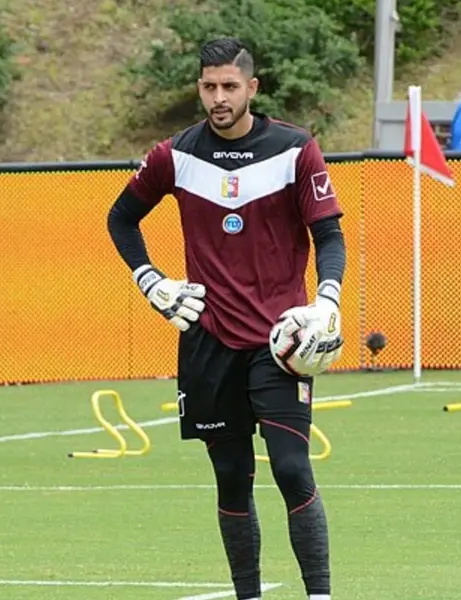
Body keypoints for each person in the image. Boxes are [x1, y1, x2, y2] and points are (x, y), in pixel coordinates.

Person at [106, 38, 345, 600]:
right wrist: (151, 280)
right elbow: (121, 219)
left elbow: (328, 234)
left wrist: (327, 300)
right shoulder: (174, 155)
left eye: (229, 87)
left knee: (290, 469)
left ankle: (320, 595)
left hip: (279, 342)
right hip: (207, 341)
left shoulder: (295, 148)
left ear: (252, 89)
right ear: (199, 88)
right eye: (210, 87)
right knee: (233, 479)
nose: (219, 97)